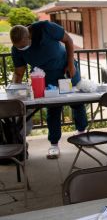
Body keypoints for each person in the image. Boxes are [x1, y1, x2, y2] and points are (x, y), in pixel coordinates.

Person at [10, 21, 87, 159]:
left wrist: (70, 63)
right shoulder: (17, 49)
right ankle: (54, 144)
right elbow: (19, 72)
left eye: (23, 46)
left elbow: (68, 40)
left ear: (29, 37)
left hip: (66, 69)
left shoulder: (46, 28)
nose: (22, 49)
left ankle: (81, 132)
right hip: (44, 77)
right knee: (53, 109)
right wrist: (15, 90)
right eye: (18, 47)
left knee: (77, 102)